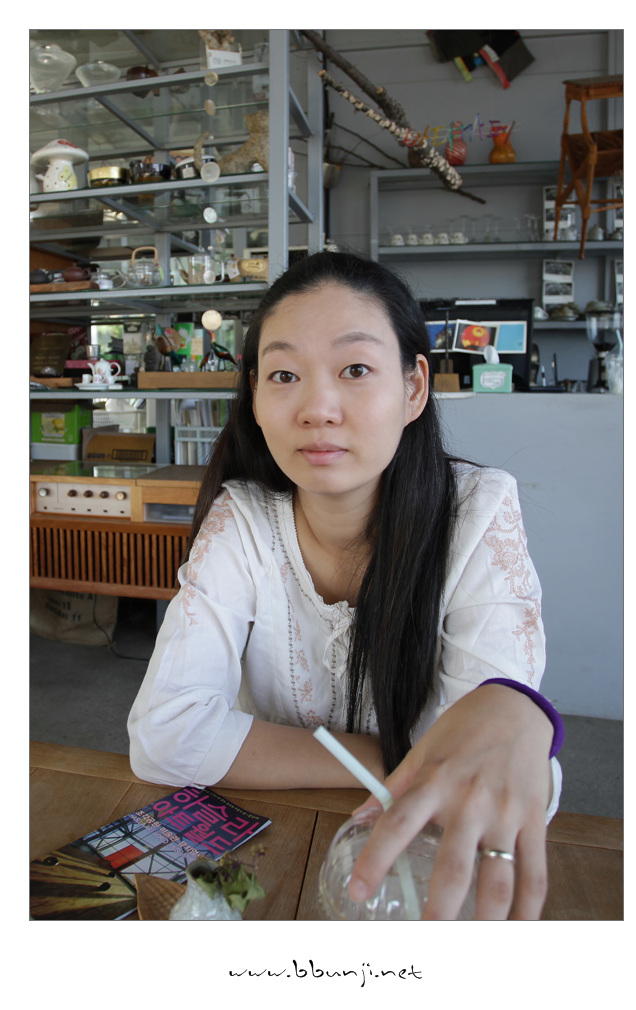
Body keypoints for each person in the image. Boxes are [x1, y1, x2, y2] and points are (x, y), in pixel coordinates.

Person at [128, 250, 562, 920]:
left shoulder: (478, 512)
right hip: (267, 849)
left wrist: (515, 721)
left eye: (355, 370)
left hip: (415, 870)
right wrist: (400, 761)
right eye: (284, 375)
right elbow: (164, 736)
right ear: (255, 395)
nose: (318, 408)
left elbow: (492, 769)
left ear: (414, 388)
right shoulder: (242, 519)